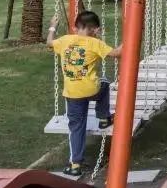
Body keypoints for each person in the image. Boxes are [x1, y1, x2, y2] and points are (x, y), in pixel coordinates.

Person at [46, 10, 122, 178]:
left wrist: (53, 26)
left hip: (72, 94)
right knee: (104, 83)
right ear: (95, 29)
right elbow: (117, 54)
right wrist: (129, 38)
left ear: (76, 27)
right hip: (92, 90)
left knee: (76, 127)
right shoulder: (95, 43)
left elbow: (49, 42)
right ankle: (104, 118)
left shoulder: (65, 40)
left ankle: (75, 165)